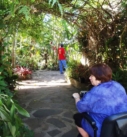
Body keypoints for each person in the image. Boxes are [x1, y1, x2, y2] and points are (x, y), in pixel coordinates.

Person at [72, 63, 127, 137]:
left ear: (98, 76)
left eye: (91, 75)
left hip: (102, 129)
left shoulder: (95, 92)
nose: (89, 78)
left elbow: (81, 108)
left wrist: (77, 97)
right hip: (119, 126)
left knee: (77, 117)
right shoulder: (118, 86)